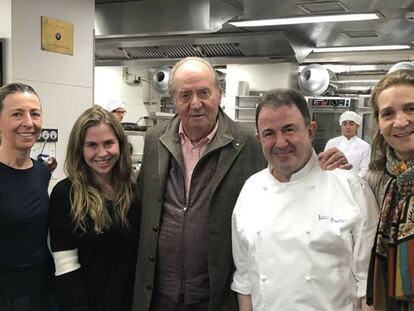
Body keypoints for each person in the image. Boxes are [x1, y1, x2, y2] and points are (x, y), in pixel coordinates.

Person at [132, 57, 351, 311]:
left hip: (218, 297)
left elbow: (287, 178)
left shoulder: (248, 142)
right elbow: (141, 206)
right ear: (173, 100)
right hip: (159, 298)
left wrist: (322, 168)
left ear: (219, 94)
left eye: (204, 92)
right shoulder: (155, 140)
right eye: (185, 95)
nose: (196, 103)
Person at [231, 89, 379, 311]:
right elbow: (245, 283)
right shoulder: (251, 189)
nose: (280, 142)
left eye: (289, 129)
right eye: (269, 133)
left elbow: (368, 287)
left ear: (310, 131)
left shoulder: (350, 188)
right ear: (259, 138)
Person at [48, 106, 140, 311]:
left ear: (121, 144)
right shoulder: (65, 194)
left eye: (109, 143)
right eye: (91, 145)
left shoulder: (135, 190)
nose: (102, 153)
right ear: (79, 149)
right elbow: (66, 267)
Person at [0, 83, 55, 310]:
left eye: (35, 114)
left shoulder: (41, 172)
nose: (29, 123)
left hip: (41, 292)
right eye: (17, 114)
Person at [365, 69, 414, 310]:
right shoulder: (374, 182)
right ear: (380, 124)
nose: (401, 121)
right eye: (388, 113)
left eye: (410, 108)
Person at [324, 110, 371, 177]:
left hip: (354, 183)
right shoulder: (332, 143)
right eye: (344, 124)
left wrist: (352, 182)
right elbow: (325, 164)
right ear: (341, 126)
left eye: (351, 124)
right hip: (334, 181)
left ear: (357, 126)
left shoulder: (365, 146)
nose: (348, 127)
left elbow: (365, 169)